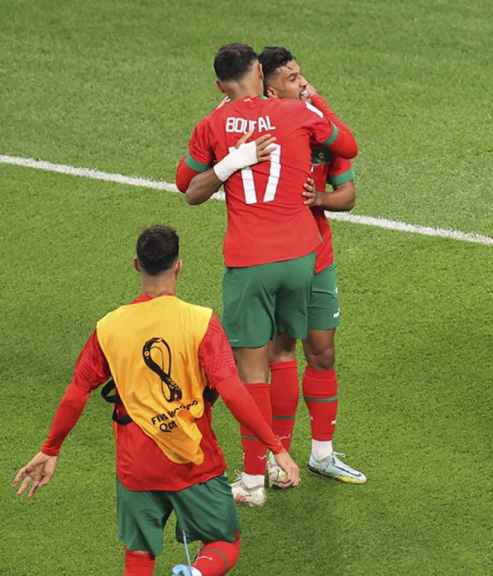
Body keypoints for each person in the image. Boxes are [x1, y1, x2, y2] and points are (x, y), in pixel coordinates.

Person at [12, 225, 300, 576]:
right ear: (179, 265)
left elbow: (77, 391)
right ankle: (196, 573)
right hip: (193, 459)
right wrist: (276, 447)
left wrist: (51, 448)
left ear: (136, 264)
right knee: (224, 542)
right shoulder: (201, 322)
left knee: (139, 553)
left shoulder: (109, 327)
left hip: (138, 464)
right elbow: (233, 391)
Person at [175, 42, 358, 507]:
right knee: (285, 352)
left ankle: (256, 476)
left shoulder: (214, 123)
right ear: (262, 73)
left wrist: (229, 160)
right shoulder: (298, 117)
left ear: (220, 85)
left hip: (251, 258)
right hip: (301, 256)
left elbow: (188, 187)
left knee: (253, 369)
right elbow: (347, 144)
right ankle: (283, 459)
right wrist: (314, 102)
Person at [257, 46, 366, 486]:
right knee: (280, 350)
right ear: (269, 87)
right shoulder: (265, 134)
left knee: (322, 351)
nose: (302, 82)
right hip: (279, 258)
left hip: (319, 258)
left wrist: (319, 198)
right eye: (292, 78)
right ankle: (277, 455)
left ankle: (321, 453)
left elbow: (349, 193)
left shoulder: (322, 132)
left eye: (302, 74)